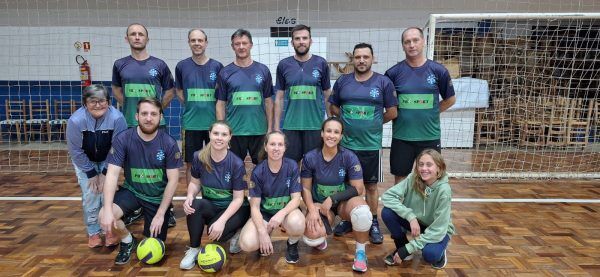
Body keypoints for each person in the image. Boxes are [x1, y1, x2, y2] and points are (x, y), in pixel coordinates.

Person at [328, 43, 398, 244]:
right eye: (357, 57)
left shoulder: (383, 82)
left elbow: (392, 112)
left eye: (365, 57)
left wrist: (373, 123)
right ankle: (349, 219)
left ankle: (373, 221)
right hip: (347, 146)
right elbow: (333, 107)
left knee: (371, 186)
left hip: (370, 146)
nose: (361, 60)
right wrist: (348, 122)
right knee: (348, 186)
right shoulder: (343, 81)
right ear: (353, 59)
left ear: (372, 58)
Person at [99, 97, 182, 265]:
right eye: (144, 113)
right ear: (136, 116)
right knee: (104, 215)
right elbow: (112, 175)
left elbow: (173, 181)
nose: (149, 118)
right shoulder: (123, 139)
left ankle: (149, 215)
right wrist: (107, 209)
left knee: (153, 248)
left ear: (160, 117)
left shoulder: (169, 143)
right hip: (133, 191)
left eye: (153, 114)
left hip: (156, 198)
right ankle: (128, 241)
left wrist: (161, 214)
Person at [112, 23, 177, 227]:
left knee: (161, 167)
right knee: (131, 166)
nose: (137, 37)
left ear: (147, 39)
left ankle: (168, 208)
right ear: (127, 38)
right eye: (133, 34)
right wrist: (134, 110)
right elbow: (115, 89)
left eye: (141, 34)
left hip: (157, 127)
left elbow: (170, 91)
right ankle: (135, 204)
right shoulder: (120, 64)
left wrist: (155, 112)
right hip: (130, 125)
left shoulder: (159, 64)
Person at [301, 117, 374, 272]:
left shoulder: (348, 156)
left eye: (336, 132)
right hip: (320, 205)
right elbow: (306, 189)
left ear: (341, 136)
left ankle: (360, 252)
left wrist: (333, 198)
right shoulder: (310, 157)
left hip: (342, 203)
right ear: (321, 133)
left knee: (362, 213)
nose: (331, 135)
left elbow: (359, 188)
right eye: (328, 131)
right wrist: (312, 210)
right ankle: (324, 230)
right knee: (312, 236)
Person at [384, 27, 456, 184]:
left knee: (431, 179)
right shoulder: (392, 73)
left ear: (423, 42)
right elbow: (389, 106)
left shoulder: (438, 71)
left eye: (415, 40)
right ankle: (402, 209)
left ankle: (428, 209)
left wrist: (432, 112)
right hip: (402, 137)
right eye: (407, 42)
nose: (412, 45)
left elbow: (450, 99)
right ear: (403, 46)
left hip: (429, 137)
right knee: (400, 180)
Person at [179, 121, 251, 270]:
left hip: (236, 208)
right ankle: (194, 249)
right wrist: (190, 196)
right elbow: (194, 183)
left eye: (224, 134)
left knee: (218, 233)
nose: (219, 138)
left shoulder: (236, 163)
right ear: (209, 134)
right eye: (216, 133)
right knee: (194, 205)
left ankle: (237, 232)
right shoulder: (199, 157)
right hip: (212, 205)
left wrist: (222, 222)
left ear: (230, 137)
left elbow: (238, 199)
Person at [67, 84, 127, 248]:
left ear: (108, 102)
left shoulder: (117, 118)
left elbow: (118, 148)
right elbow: (75, 151)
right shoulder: (76, 120)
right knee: (91, 195)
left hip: (110, 159)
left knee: (107, 195)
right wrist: (92, 173)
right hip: (85, 161)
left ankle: (109, 230)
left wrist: (106, 172)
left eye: (102, 101)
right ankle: (93, 232)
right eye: (93, 101)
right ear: (85, 103)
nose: (98, 105)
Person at [381, 149, 454, 270]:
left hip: (438, 229)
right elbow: (387, 196)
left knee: (430, 255)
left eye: (429, 165)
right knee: (387, 212)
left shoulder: (444, 190)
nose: (424, 168)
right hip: (417, 223)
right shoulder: (413, 178)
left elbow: (438, 229)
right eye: (421, 164)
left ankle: (440, 251)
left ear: (439, 168)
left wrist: (408, 248)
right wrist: (411, 217)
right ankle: (401, 246)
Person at [238, 131, 305, 263]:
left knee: (297, 223)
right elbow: (255, 208)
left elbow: (296, 199)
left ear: (285, 147)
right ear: (265, 146)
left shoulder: (291, 166)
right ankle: (265, 237)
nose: (276, 148)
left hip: (286, 213)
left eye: (280, 144)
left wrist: (281, 213)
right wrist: (262, 232)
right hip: (265, 215)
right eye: (272, 144)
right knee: (247, 243)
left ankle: (292, 244)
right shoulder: (257, 172)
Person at [273, 24, 331, 162]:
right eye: (297, 38)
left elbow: (327, 94)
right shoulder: (283, 65)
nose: (301, 41)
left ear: (311, 41)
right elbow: (279, 98)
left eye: (305, 38)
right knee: (290, 166)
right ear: (292, 42)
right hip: (290, 126)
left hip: (315, 125)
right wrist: (276, 127)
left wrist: (330, 121)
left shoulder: (321, 63)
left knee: (314, 166)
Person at [216, 29, 274, 165]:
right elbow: (220, 104)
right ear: (232, 46)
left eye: (244, 43)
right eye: (237, 44)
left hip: (259, 130)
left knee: (263, 169)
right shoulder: (225, 72)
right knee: (233, 169)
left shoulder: (263, 70)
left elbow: (268, 102)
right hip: (234, 132)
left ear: (251, 45)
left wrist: (270, 128)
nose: (241, 47)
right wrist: (222, 129)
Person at [175, 28, 224, 185]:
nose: (197, 43)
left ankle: (213, 196)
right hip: (191, 124)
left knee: (215, 161)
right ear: (189, 42)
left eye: (200, 40)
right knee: (191, 163)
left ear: (206, 43)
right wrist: (192, 105)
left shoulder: (217, 66)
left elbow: (221, 96)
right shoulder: (181, 66)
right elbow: (180, 92)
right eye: (193, 40)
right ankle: (192, 200)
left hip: (213, 124)